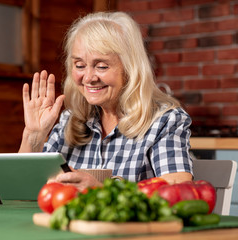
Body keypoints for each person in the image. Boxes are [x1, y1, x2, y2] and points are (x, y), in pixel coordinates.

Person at [19, 11, 193, 191]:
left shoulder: (165, 120)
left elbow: (178, 190)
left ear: (130, 68)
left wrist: (102, 191)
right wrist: (34, 135)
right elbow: (21, 189)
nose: (88, 78)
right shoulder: (69, 120)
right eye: (79, 65)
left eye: (101, 66)